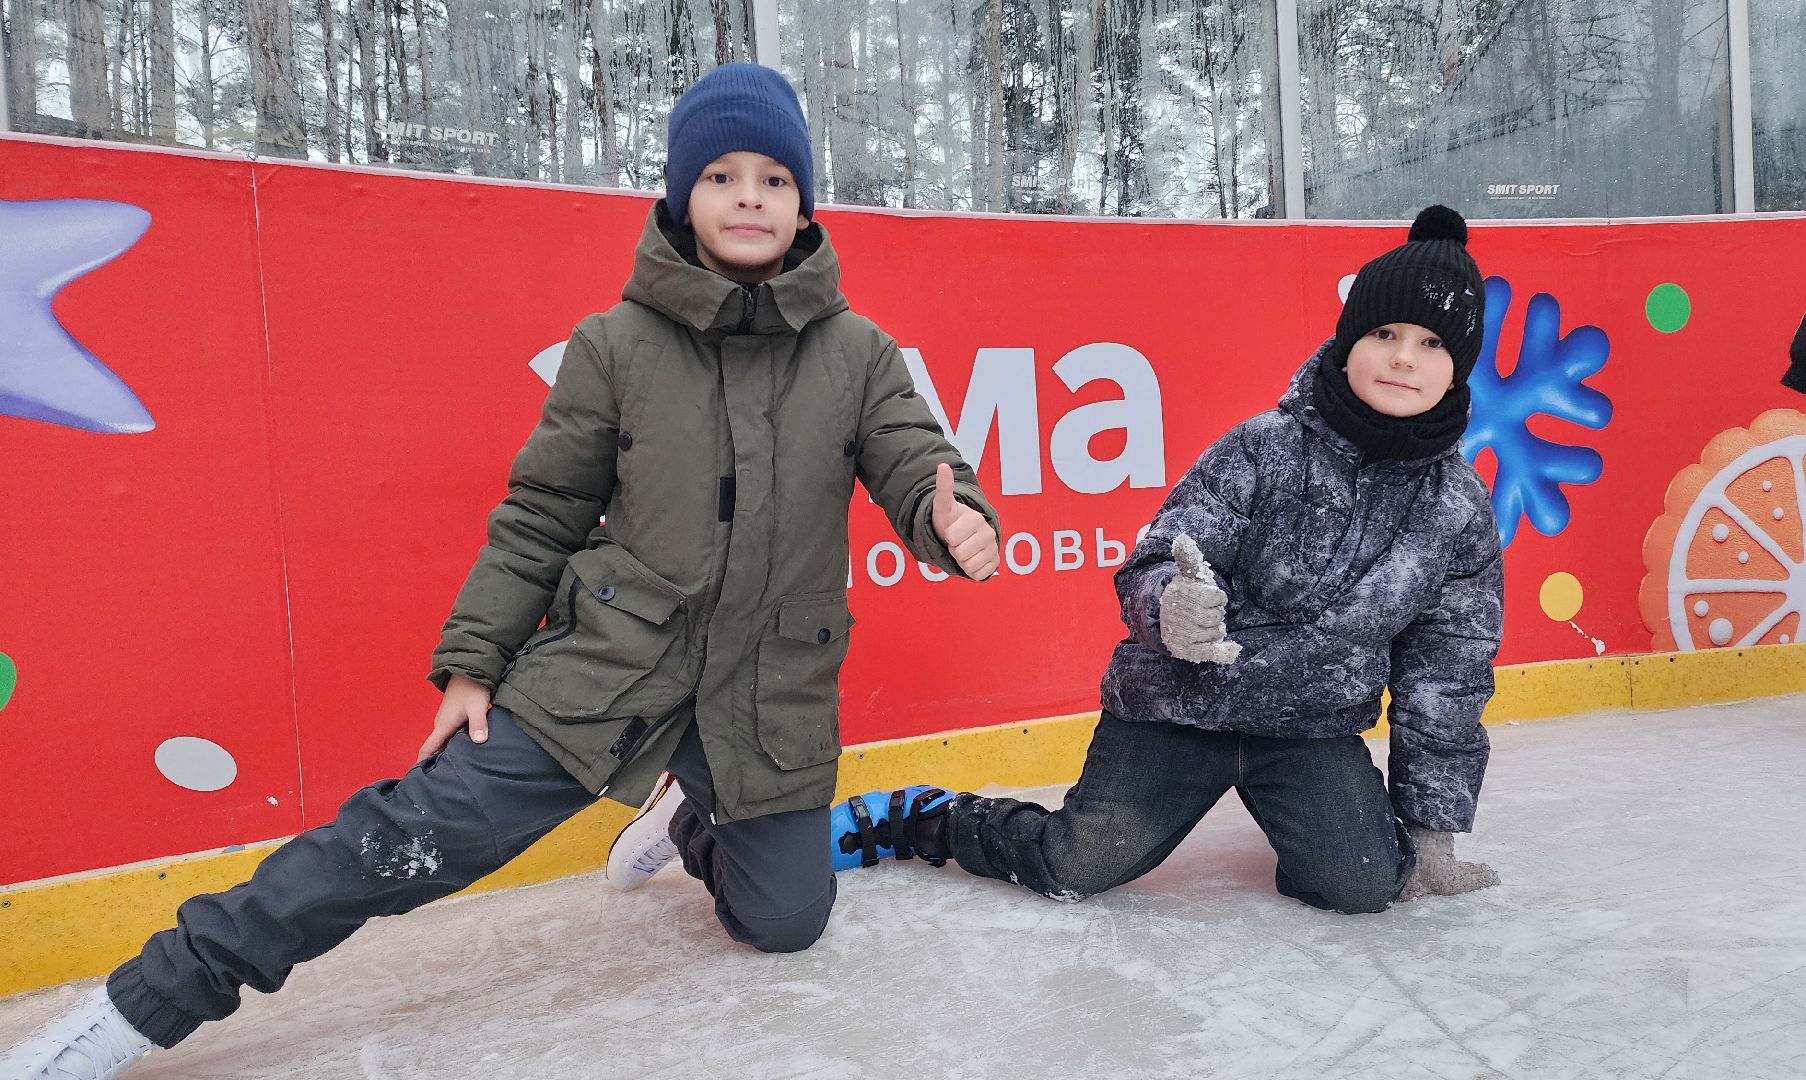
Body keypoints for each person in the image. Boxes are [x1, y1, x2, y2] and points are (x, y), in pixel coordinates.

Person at [2, 63, 1000, 1080]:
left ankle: (691, 821)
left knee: (787, 920)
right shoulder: (615, 345)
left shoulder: (859, 352)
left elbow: (920, 463)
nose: (749, 196)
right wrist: (473, 663)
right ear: (681, 195)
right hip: (609, 669)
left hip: (767, 691)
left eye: (775, 179)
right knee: (404, 841)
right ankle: (145, 1002)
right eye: (723, 176)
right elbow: (543, 513)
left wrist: (946, 519)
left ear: (802, 205)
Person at [830, 206, 1503, 916]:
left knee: (1364, 885)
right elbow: (1154, 560)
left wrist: (1431, 828)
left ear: (1457, 367)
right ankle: (930, 817)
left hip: (1309, 727)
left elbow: (1449, 672)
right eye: (1384, 333)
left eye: (1431, 343)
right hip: (1179, 707)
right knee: (1076, 863)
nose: (1403, 357)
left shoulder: (1455, 508)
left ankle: (1308, 829)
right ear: (1348, 339)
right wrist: (1170, 614)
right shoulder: (1263, 447)